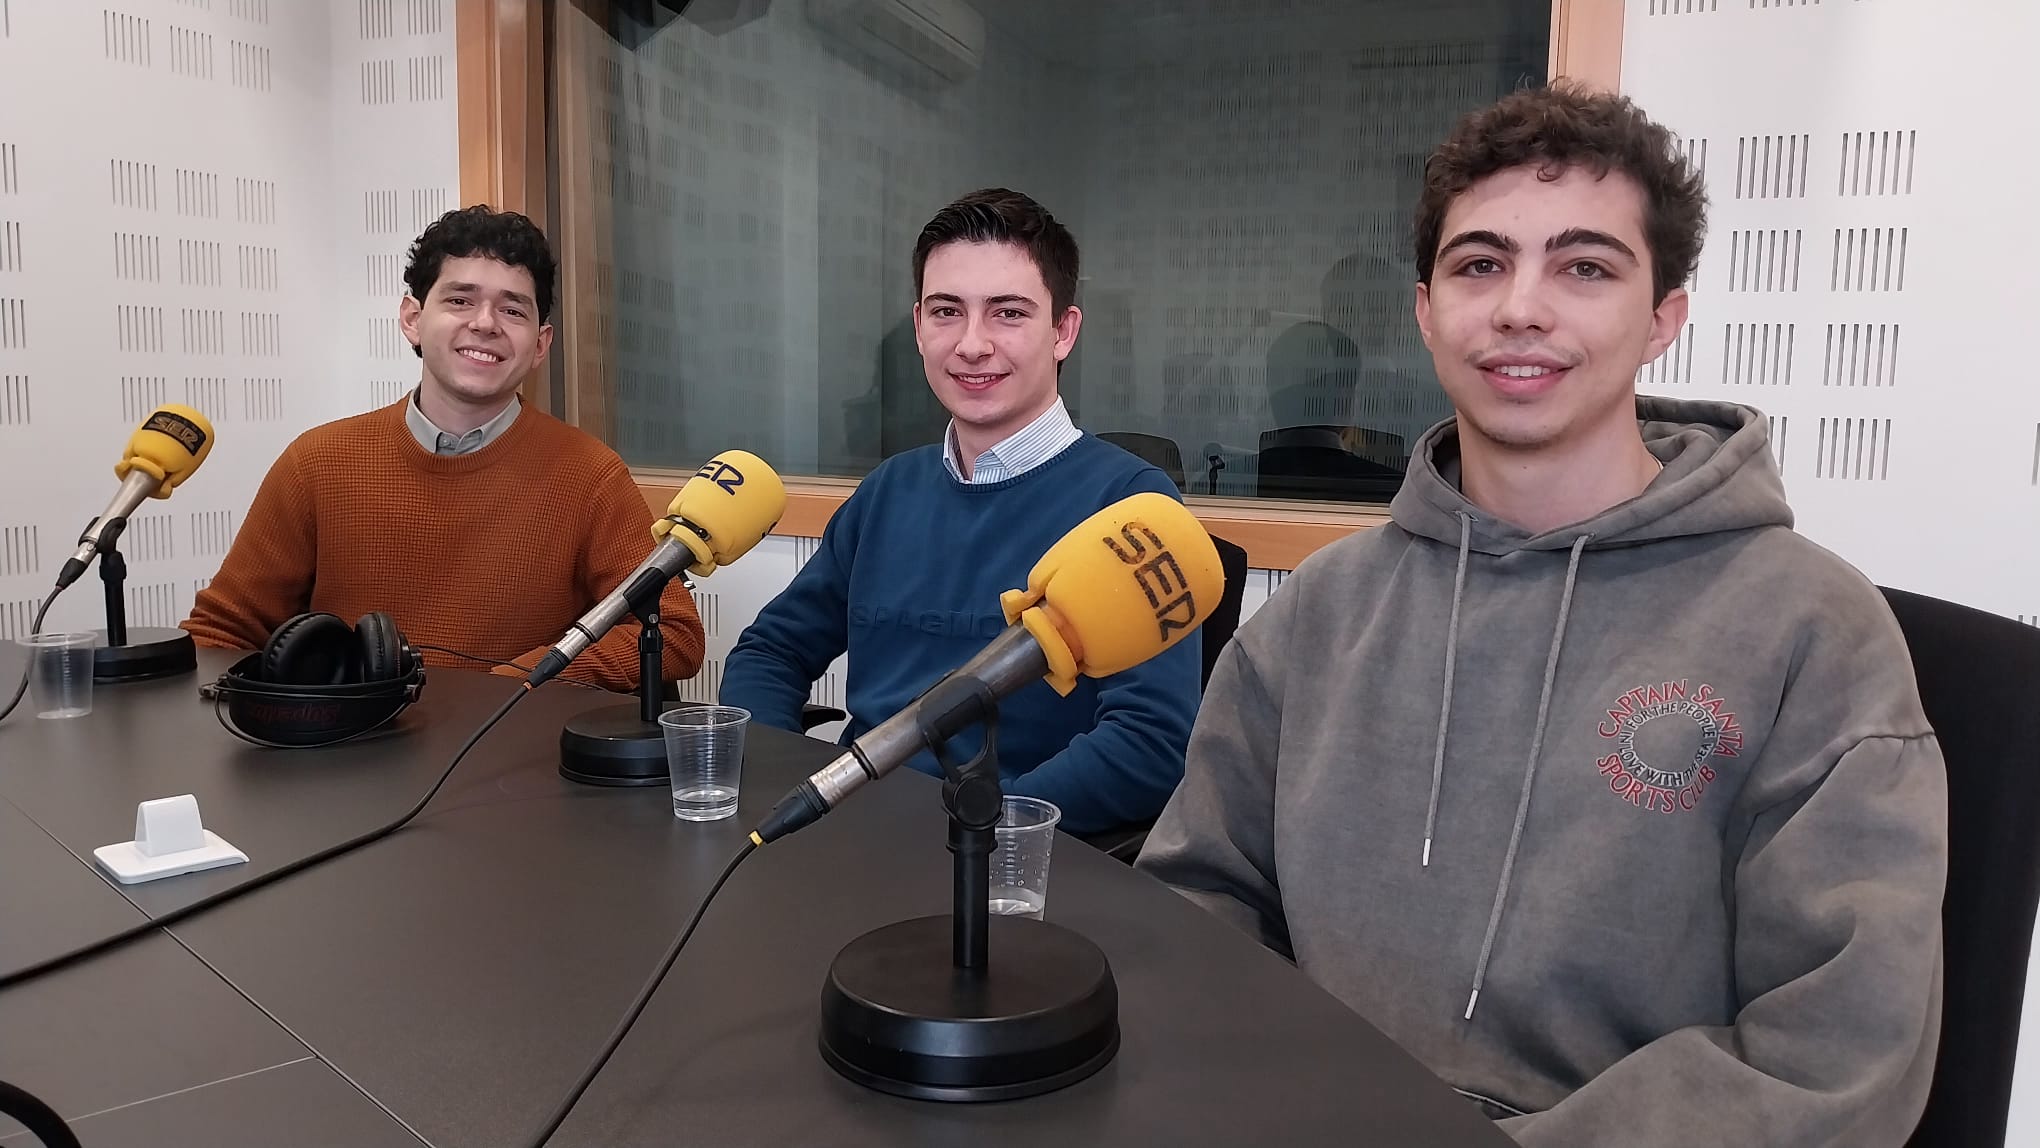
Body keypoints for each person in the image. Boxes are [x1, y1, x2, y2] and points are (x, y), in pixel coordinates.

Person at [1138, 83, 1946, 1145]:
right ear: (1426, 310)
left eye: (1584, 266)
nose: (1521, 305)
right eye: (1480, 264)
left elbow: (1840, 1053)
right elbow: (1197, 902)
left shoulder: (1812, 630)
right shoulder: (1319, 617)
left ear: (1664, 317)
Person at [720, 188, 1201, 836]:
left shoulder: (1128, 508)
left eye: (1007, 313)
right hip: (849, 848)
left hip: (1009, 864)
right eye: (947, 311)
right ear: (919, 326)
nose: (972, 344)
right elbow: (770, 653)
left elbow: (1150, 744)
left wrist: (980, 835)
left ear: (1063, 331)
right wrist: (794, 794)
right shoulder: (888, 492)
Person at [183, 206, 704, 691]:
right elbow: (222, 630)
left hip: (509, 764)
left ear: (541, 344)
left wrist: (519, 686)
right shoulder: (318, 462)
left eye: (513, 310)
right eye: (460, 300)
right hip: (339, 758)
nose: (484, 323)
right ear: (412, 318)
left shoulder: (590, 475)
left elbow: (673, 634)